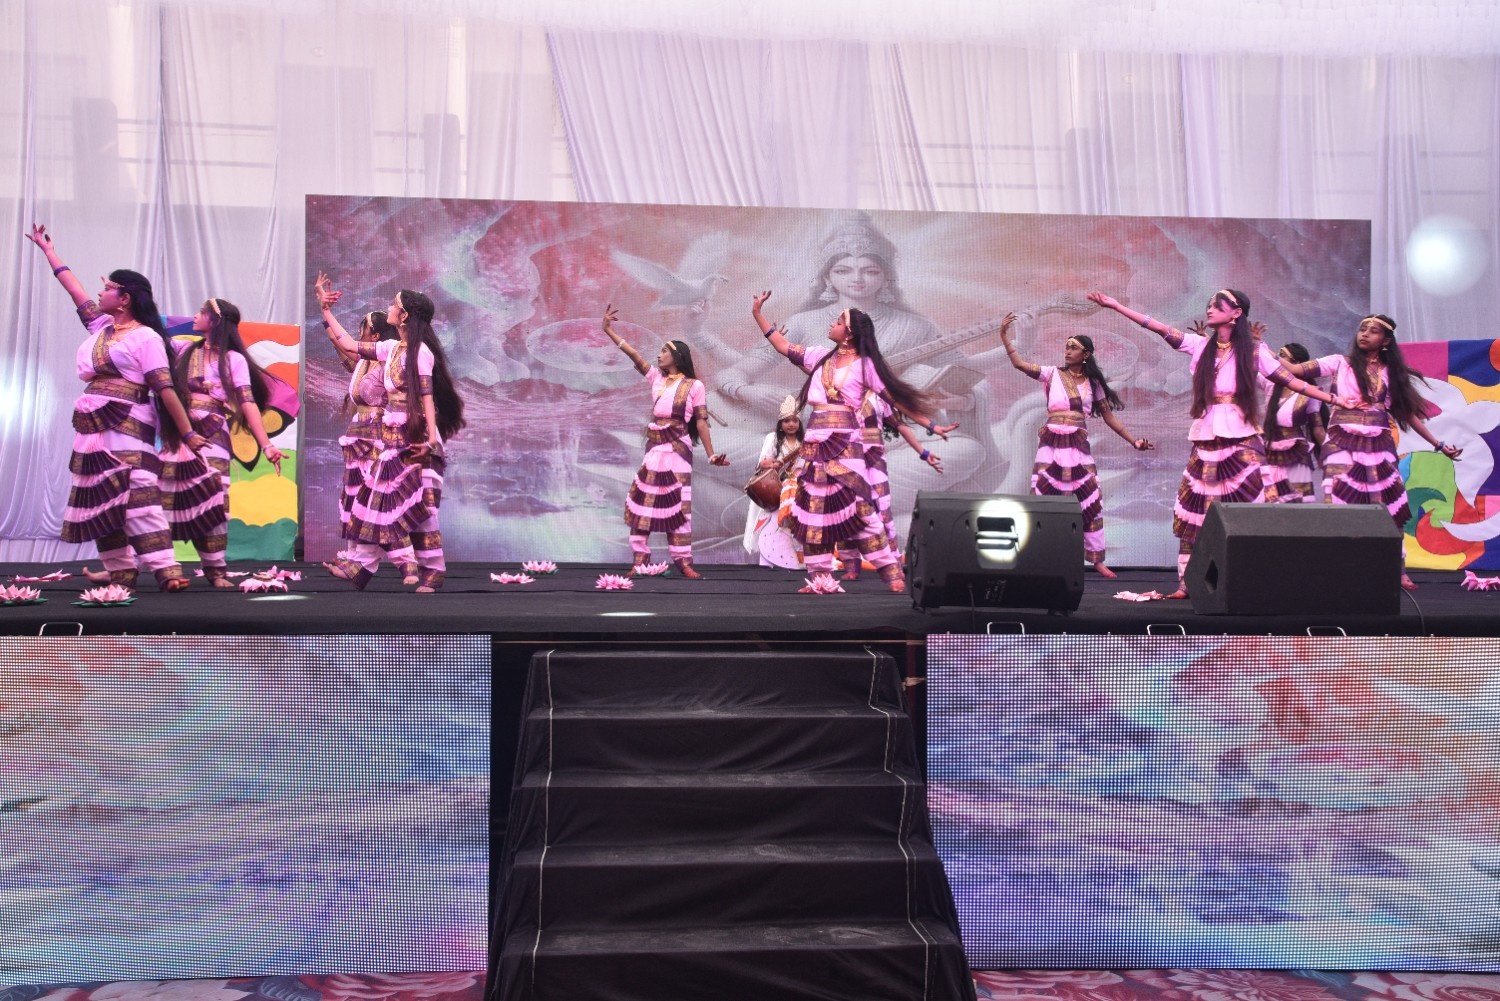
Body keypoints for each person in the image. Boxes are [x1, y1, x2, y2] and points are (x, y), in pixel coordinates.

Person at [1088, 288, 1355, 598]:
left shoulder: (1254, 352)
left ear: (1236, 312)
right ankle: (1187, 584)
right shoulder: (1201, 346)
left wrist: (1333, 399)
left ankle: (1256, 577)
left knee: (1252, 505)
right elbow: (1158, 327)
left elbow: (1292, 380)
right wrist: (1116, 305)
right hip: (1206, 439)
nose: (1210, 309)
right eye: (1209, 304)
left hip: (1241, 438)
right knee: (1195, 508)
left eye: (1218, 305)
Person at [25, 224, 198, 591]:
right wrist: (49, 252)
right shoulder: (101, 327)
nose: (100, 292)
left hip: (130, 420)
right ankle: (121, 572)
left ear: (125, 298)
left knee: (138, 491)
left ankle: (167, 570)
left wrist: (188, 433)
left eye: (108, 288)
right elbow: (74, 290)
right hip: (91, 426)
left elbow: (165, 388)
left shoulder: (146, 337)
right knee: (100, 496)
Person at [751, 290, 949, 593]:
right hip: (815, 443)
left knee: (859, 507)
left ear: (850, 333)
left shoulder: (865, 366)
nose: (832, 324)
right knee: (812, 511)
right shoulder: (820, 357)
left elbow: (894, 399)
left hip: (846, 444)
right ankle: (821, 579)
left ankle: (890, 570)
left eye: (838, 321)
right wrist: (758, 314)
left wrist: (930, 425)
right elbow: (782, 346)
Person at [1281, 314, 1461, 590]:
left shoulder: (1391, 374)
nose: (1364, 334)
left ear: (1385, 341)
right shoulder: (1339, 363)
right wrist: (1258, 347)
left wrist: (1438, 445)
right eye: (1362, 329)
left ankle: (1398, 570)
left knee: (1389, 505)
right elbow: (1295, 370)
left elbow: (1407, 414)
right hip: (1341, 442)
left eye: (1373, 331)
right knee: (1338, 503)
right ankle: (1338, 568)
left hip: (1378, 444)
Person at [318, 275, 465, 591]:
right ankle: (361, 568)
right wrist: (325, 310)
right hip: (391, 440)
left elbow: (427, 398)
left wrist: (430, 441)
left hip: (417, 438)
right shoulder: (390, 348)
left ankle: (433, 571)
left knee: (420, 508)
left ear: (405, 315)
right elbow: (348, 345)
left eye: (394, 304)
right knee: (373, 500)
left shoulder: (420, 352)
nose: (389, 307)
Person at [999, 313, 1153, 578]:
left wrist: (1134, 441)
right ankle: (1037, 555)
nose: (1067, 351)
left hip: (1078, 446)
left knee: (1089, 498)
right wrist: (1005, 338)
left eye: (1073, 347)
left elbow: (1109, 417)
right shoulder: (1052, 374)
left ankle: (1096, 559)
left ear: (1086, 355)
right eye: (1066, 347)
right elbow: (1020, 365)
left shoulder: (1094, 384)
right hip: (1051, 444)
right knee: (1043, 496)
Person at [156, 298, 285, 586]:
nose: (195, 315)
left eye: (201, 312)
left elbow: (248, 403)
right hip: (180, 434)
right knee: (158, 498)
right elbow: (152, 336)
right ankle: (149, 567)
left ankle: (215, 571)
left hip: (212, 435)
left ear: (215, 320)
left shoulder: (233, 360)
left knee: (214, 501)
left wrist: (267, 445)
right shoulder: (183, 350)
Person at [602, 304, 728, 578]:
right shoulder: (656, 378)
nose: (659, 355)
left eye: (664, 351)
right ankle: (639, 558)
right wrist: (609, 331)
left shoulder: (695, 386)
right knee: (643, 500)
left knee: (680, 505)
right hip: (655, 449)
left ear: (677, 356)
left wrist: (711, 454)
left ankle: (683, 561)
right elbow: (634, 355)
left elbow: (701, 422)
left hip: (678, 449)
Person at [329, 305, 419, 584]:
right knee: (355, 498)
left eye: (363, 330)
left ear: (375, 335)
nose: (359, 334)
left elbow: (348, 346)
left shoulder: (386, 362)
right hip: (358, 433)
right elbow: (345, 347)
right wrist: (326, 314)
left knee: (377, 501)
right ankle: (355, 559)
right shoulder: (364, 363)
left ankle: (407, 562)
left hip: (375, 434)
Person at [834, 389, 947, 579]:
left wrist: (924, 452)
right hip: (847, 457)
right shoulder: (842, 391)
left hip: (875, 459)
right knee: (847, 510)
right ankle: (851, 565)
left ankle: (894, 563)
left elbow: (900, 426)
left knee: (882, 508)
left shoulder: (880, 398)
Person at [742, 396, 806, 568]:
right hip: (774, 488)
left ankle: (796, 559)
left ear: (799, 423)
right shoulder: (772, 438)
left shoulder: (804, 442)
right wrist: (772, 463)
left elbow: (805, 466)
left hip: (796, 488)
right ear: (780, 423)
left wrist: (796, 478)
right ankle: (766, 561)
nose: (791, 424)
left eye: (794, 421)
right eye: (786, 421)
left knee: (797, 523)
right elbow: (761, 464)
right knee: (769, 524)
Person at [1261, 342, 1327, 504]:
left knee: (1298, 503)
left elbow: (1317, 429)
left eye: (1282, 355)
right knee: (1270, 501)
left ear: (1296, 364)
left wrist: (1331, 456)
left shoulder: (1310, 391)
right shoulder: (1271, 384)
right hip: (1269, 450)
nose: (1278, 358)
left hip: (1296, 452)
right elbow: (1253, 364)